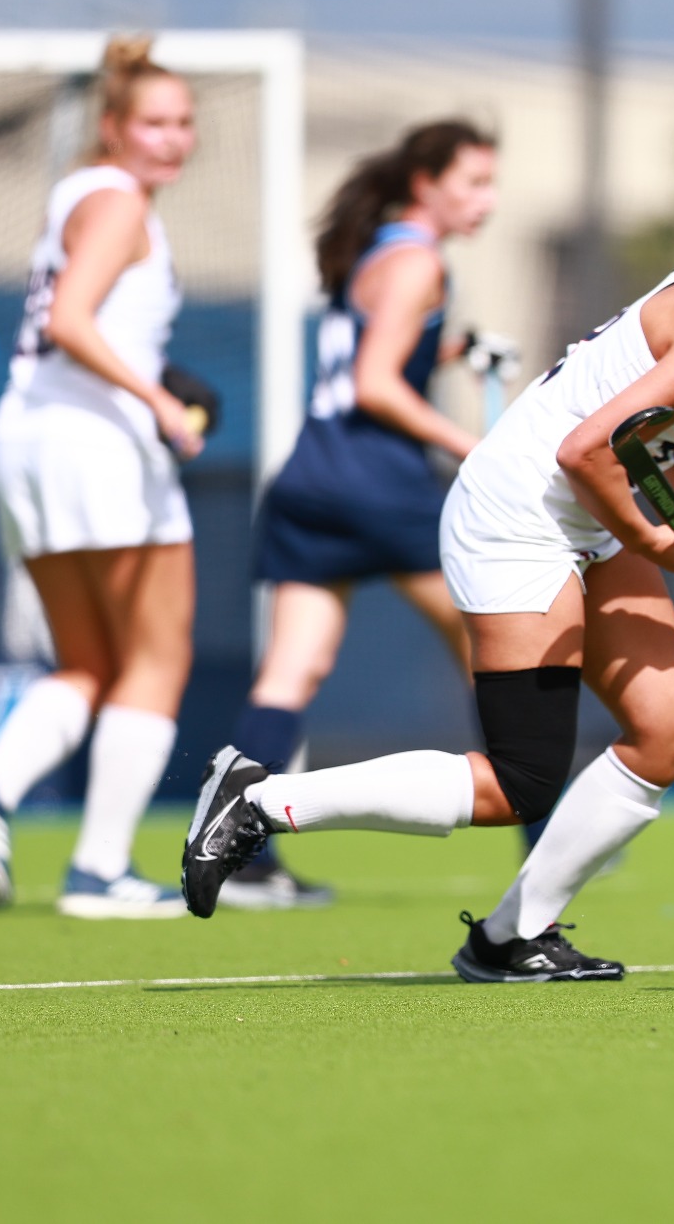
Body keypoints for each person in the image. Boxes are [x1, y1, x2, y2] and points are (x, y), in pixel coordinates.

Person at [181, 154, 674, 980]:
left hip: (584, 515)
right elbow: (586, 448)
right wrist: (659, 544)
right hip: (519, 514)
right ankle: (260, 801)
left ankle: (510, 936)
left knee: (667, 730)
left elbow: (664, 441)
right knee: (519, 779)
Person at [0, 36, 207, 918]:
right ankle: (99, 870)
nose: (173, 139)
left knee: (89, 661)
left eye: (184, 122)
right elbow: (72, 321)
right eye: (154, 123)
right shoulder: (122, 201)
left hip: (29, 437)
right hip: (98, 444)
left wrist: (152, 382)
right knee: (157, 661)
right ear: (112, 127)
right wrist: (162, 404)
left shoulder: (76, 195)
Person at [220, 121, 499, 911]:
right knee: (490, 642)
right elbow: (377, 382)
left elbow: (374, 354)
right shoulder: (418, 261)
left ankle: (239, 850)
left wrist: (453, 348)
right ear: (425, 183)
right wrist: (467, 445)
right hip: (380, 483)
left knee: (292, 668)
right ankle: (539, 824)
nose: (488, 200)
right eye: (474, 182)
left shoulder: (377, 251)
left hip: (312, 478)